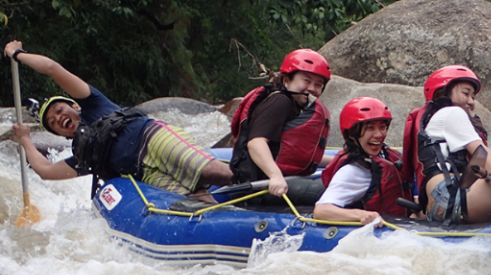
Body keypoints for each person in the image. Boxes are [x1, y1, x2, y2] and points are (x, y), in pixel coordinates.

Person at [4, 40, 233, 196]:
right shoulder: (85, 156)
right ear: (61, 135)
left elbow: (52, 68)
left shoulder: (93, 103)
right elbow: (45, 171)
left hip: (152, 138)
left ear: (73, 105)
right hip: (145, 173)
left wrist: (18, 54)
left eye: (59, 110)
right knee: (196, 203)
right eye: (53, 124)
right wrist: (25, 139)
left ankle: (265, 179)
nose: (58, 118)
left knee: (210, 172)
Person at [403, 65, 491, 224]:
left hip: (439, 200)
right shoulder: (451, 112)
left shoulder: (437, 119)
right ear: (443, 92)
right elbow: (480, 151)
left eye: (473, 97)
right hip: (450, 196)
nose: (471, 102)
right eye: (465, 93)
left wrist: (484, 175)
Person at [229, 49, 331, 196]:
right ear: (286, 80)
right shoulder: (280, 102)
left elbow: (297, 154)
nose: (312, 89)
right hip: (260, 186)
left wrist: (339, 160)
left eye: (318, 84)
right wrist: (275, 176)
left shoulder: (294, 106)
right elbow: (256, 143)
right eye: (306, 80)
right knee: (337, 191)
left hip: (276, 181)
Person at [314, 97, 412, 225]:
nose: (378, 134)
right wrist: (361, 215)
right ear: (351, 134)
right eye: (370, 128)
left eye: (382, 127)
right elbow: (321, 211)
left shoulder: (386, 156)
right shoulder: (353, 171)